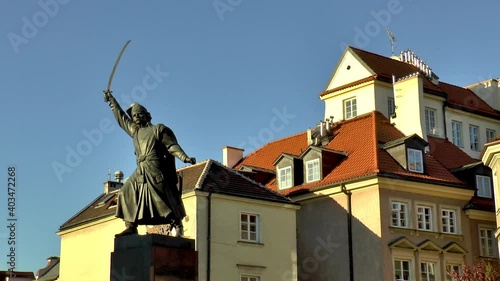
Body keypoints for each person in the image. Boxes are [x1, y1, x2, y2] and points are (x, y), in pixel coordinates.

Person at [104, 91, 196, 237]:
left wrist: (184, 157)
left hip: (155, 166)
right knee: (125, 191)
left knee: (163, 194)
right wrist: (112, 102)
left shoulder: (158, 129)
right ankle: (131, 225)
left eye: (140, 114)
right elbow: (122, 118)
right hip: (141, 169)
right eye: (134, 116)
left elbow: (171, 146)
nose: (137, 117)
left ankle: (177, 223)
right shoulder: (135, 131)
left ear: (147, 115)